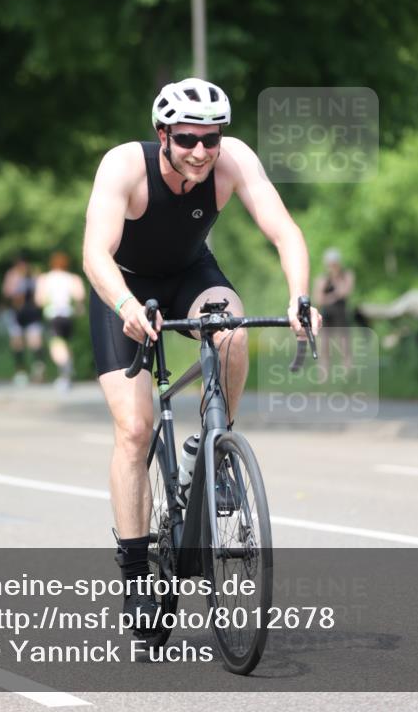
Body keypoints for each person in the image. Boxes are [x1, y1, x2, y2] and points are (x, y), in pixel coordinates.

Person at [83, 77, 321, 630]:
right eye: (188, 138)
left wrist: (299, 295)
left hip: (191, 276)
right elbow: (96, 251)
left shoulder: (232, 160)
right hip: (124, 286)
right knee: (136, 429)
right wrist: (125, 305)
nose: (201, 151)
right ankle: (138, 573)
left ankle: (212, 450)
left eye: (211, 139)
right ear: (161, 133)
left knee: (232, 330)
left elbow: (284, 230)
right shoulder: (125, 166)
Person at [35, 252, 85, 390]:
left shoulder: (45, 278)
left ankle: (65, 371)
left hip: (53, 315)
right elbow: (80, 296)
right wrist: (79, 308)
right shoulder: (72, 278)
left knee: (56, 344)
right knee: (66, 343)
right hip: (68, 315)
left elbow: (39, 300)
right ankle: (68, 368)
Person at [1, 254, 45, 384]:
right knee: (17, 342)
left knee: (35, 342)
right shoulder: (12, 275)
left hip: (31, 312)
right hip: (17, 313)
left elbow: (40, 293)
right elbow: (7, 292)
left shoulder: (34, 274)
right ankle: (20, 370)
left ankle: (38, 369)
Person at [313, 248, 355, 375]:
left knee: (344, 344)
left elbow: (345, 291)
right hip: (327, 314)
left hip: (341, 313)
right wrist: (333, 296)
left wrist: (335, 283)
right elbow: (318, 298)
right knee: (324, 346)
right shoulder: (322, 279)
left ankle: (348, 373)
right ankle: (323, 374)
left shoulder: (346, 275)